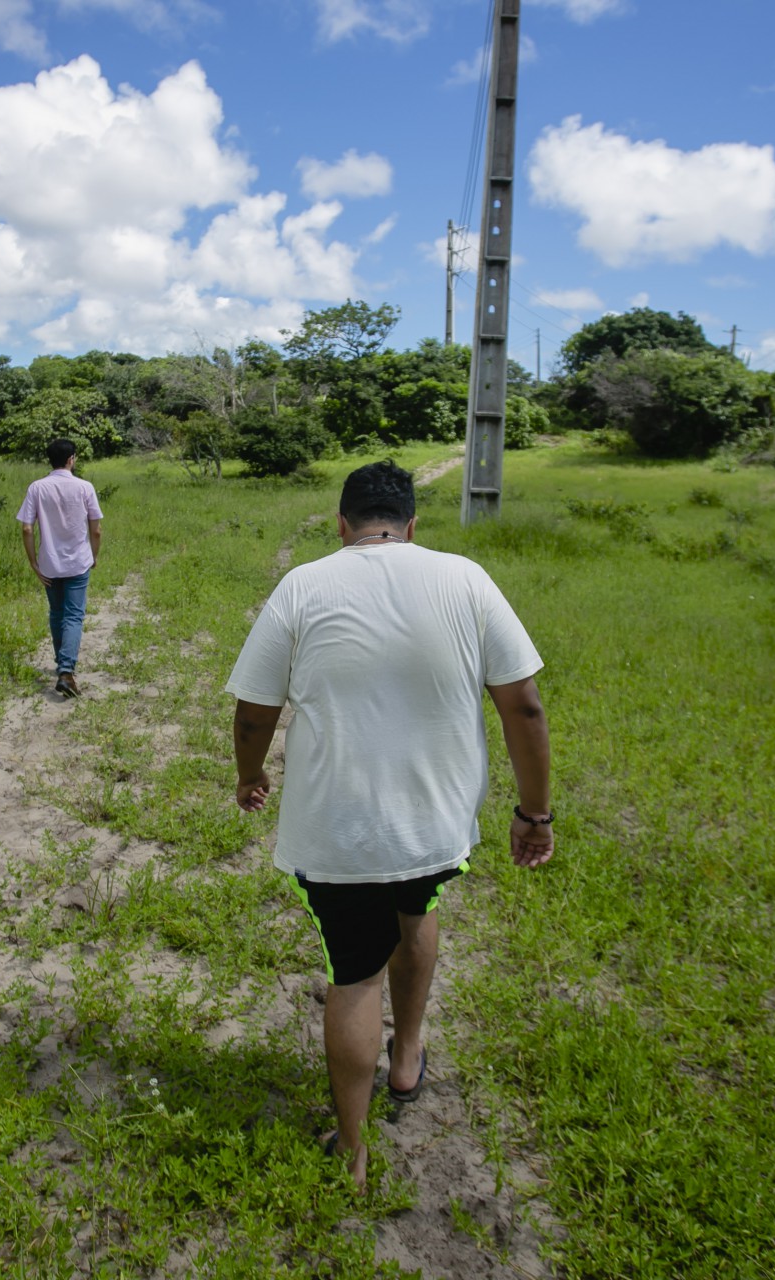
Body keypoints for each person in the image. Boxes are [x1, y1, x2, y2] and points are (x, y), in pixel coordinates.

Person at [225, 459, 554, 1193]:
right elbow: (524, 706)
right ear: (411, 524)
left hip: (336, 832)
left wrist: (249, 775)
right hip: (433, 829)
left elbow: (254, 710)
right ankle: (405, 1060)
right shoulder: (466, 579)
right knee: (417, 908)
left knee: (354, 976)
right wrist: (534, 813)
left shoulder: (303, 585)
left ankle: (352, 1151)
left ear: (342, 524)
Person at [17, 438, 104, 698]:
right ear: (71, 459)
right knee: (74, 615)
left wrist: (33, 562)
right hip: (78, 562)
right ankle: (66, 671)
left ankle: (61, 664)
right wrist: (93, 555)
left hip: (49, 563)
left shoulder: (37, 487)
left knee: (57, 613)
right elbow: (96, 529)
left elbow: (27, 528)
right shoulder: (85, 487)